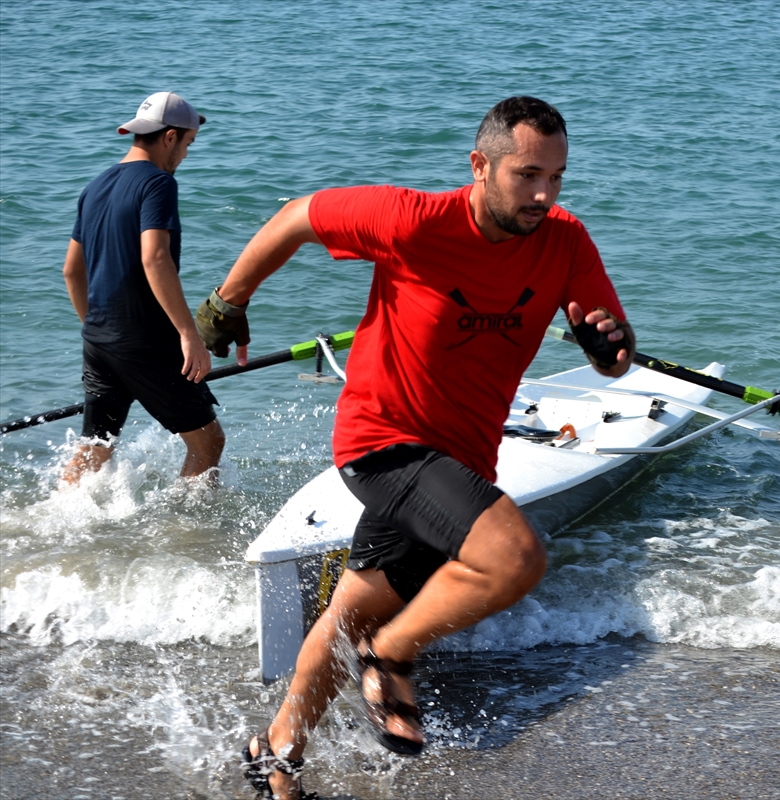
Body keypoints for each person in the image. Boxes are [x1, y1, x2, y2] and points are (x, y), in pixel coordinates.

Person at [205, 96, 634, 800]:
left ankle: (274, 755)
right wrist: (229, 301)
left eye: (556, 177)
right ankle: (393, 655)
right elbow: (297, 216)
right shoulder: (413, 221)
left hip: (461, 463)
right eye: (528, 175)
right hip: (383, 443)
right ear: (480, 165)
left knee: (352, 613)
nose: (543, 194)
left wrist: (609, 348)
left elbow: (612, 355)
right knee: (514, 559)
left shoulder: (565, 241)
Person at [61, 91, 225, 485]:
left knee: (95, 448)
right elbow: (155, 257)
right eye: (187, 144)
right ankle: (187, 536)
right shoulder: (158, 184)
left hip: (98, 340)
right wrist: (189, 335)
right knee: (208, 442)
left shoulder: (95, 186)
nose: (185, 154)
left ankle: (51, 514)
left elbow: (71, 271)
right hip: (146, 343)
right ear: (169, 137)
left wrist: (101, 333)